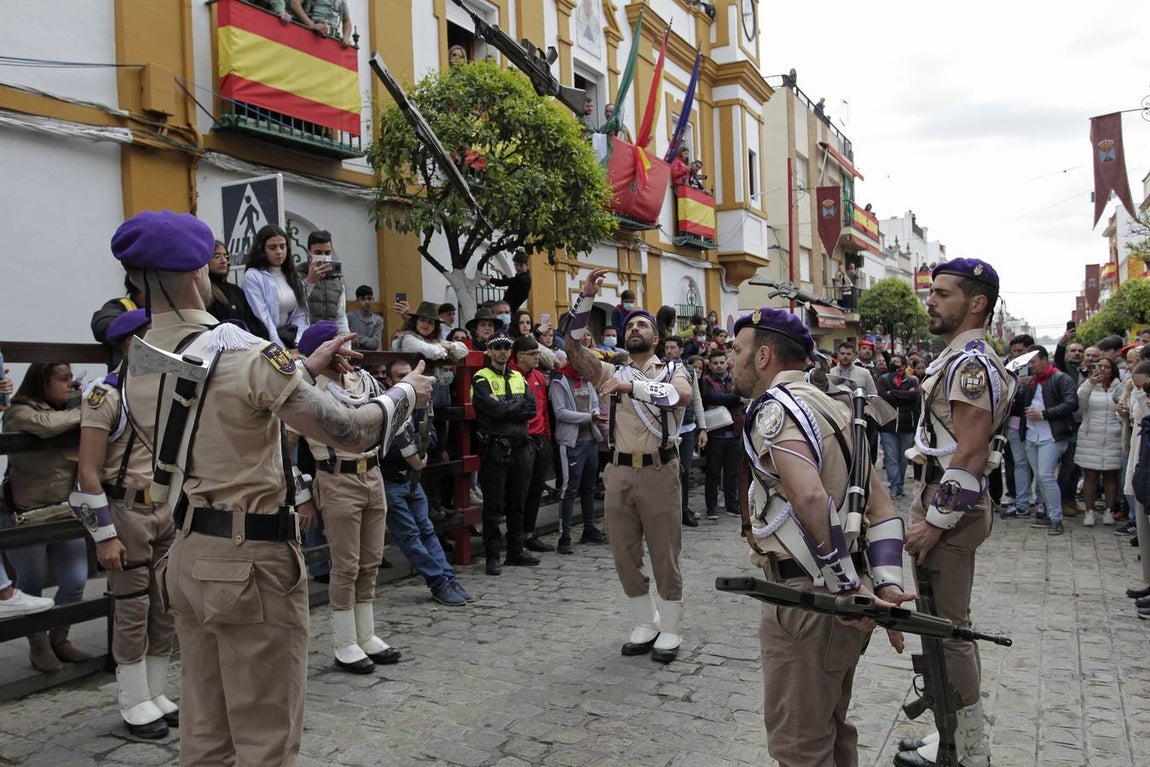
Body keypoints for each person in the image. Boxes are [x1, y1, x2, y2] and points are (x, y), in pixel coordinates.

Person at [114, 209, 433, 766]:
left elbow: (221, 405)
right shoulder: (244, 355)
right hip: (252, 561)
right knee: (265, 739)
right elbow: (354, 431)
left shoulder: (140, 361)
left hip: (190, 548)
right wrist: (404, 393)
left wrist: (304, 367)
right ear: (198, 273)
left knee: (206, 732)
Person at [727, 305, 910, 767]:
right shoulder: (837, 408)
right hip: (840, 600)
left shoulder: (776, 411)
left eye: (738, 349)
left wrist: (848, 588)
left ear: (764, 356)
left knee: (799, 746)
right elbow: (883, 509)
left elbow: (808, 498)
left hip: (810, 600)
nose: (731, 358)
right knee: (831, 730)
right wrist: (883, 581)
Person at [899, 258, 1014, 767]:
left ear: (977, 303)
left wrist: (934, 522)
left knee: (952, 632)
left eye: (944, 293)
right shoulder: (957, 359)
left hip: (953, 510)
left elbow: (969, 453)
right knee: (938, 628)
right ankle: (948, 734)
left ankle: (968, 748)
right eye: (932, 292)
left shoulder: (970, 365)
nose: (931, 300)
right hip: (944, 502)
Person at [564, 268, 692, 663]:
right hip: (618, 471)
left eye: (643, 324)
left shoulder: (672, 370)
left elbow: (680, 396)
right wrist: (584, 298)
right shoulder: (609, 369)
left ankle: (670, 627)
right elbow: (570, 349)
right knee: (623, 552)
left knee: (664, 552)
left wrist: (632, 387)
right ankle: (645, 621)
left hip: (658, 469)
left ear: (657, 338)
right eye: (630, 324)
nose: (634, 328)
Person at [73, 309, 180, 738]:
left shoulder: (163, 390)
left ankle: (155, 691)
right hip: (126, 510)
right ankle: (134, 700)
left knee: (165, 603)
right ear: (132, 344)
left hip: (163, 507)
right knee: (133, 607)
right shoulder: (106, 395)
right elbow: (87, 471)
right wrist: (104, 535)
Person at [293, 321, 402, 674]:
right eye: (336, 345)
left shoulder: (363, 380)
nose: (344, 352)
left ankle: (365, 633)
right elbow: (283, 448)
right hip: (336, 475)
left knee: (371, 559)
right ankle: (344, 642)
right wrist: (302, 493)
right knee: (346, 564)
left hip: (371, 471)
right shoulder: (306, 389)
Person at [2, 363, 92, 673]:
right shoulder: (18, 411)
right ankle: (38, 646)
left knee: (75, 580)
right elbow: (45, 425)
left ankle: (60, 638)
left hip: (65, 509)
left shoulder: (67, 409)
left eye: (72, 379)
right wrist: (87, 410)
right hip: (26, 513)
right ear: (42, 381)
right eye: (62, 379)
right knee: (31, 584)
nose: (70, 384)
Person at [379, 358, 473, 605]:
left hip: (412, 477)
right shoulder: (384, 407)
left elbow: (430, 433)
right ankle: (438, 582)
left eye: (408, 375)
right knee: (410, 535)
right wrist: (410, 451)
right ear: (389, 380)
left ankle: (448, 578)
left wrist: (419, 447)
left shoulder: (418, 405)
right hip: (390, 480)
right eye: (399, 377)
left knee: (428, 530)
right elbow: (383, 446)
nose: (405, 381)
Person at [471, 331, 538, 575]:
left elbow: (532, 409)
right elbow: (492, 410)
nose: (502, 352)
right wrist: (513, 408)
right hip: (495, 448)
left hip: (520, 446)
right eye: (497, 347)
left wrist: (507, 409)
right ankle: (492, 555)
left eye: (506, 348)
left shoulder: (519, 378)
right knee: (493, 504)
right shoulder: (481, 378)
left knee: (517, 502)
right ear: (488, 351)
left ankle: (515, 550)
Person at [549, 353, 608, 553]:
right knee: (569, 488)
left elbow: (593, 403)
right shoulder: (560, 381)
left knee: (589, 487)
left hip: (590, 439)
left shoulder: (586, 380)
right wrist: (587, 417)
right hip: (571, 441)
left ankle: (589, 528)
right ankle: (564, 535)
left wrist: (594, 413)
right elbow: (560, 412)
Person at [1018, 345, 1078, 536]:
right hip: (1031, 434)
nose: (1030, 366)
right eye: (1028, 363)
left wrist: (1043, 414)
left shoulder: (1060, 378)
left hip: (1051, 436)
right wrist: (1019, 388)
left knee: (1046, 476)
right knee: (1041, 477)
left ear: (1045, 359)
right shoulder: (1032, 382)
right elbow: (1020, 405)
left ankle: (1056, 518)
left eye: (1033, 362)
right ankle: (1046, 512)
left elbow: (1071, 404)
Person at [511, 335, 554, 553]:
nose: (537, 357)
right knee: (520, 491)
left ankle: (529, 533)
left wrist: (546, 435)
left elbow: (544, 409)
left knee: (536, 488)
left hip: (540, 438)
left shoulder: (538, 376)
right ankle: (516, 537)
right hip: (521, 439)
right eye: (532, 354)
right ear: (519, 356)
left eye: (538, 353)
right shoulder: (511, 376)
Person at [1075, 356, 1124, 527]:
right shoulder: (1089, 386)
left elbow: (1123, 406)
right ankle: (1089, 511)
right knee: (1090, 476)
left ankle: (1109, 511)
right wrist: (1089, 383)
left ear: (1113, 370)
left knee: (1111, 476)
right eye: (1099, 366)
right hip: (1091, 436)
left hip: (1113, 435)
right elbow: (1079, 402)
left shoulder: (1119, 387)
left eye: (1107, 367)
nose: (1102, 370)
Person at [242, 223, 309, 348]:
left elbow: (301, 314)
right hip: (264, 343)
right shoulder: (253, 276)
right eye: (272, 248)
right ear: (261, 249)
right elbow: (263, 317)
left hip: (290, 341)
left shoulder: (293, 276)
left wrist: (298, 344)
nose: (279, 252)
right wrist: (281, 349)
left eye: (282, 246)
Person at [664, 336, 706, 526]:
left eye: (673, 347)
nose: (669, 351)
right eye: (666, 347)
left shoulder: (689, 370)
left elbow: (696, 398)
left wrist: (703, 427)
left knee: (685, 470)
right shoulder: (659, 369)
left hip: (687, 428)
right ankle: (668, 510)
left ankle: (683, 508)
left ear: (681, 350)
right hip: (666, 428)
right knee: (667, 470)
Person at [701, 349, 742, 520]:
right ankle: (711, 508)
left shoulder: (735, 379)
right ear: (710, 365)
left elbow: (741, 394)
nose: (719, 366)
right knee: (713, 473)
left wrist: (732, 397)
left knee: (732, 472)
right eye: (715, 363)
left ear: (727, 363)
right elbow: (712, 398)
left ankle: (731, 505)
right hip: (715, 434)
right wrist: (734, 398)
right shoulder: (705, 381)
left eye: (721, 362)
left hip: (734, 432)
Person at [1000, 334, 1036, 519]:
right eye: (1013, 351)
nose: (1016, 355)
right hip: (1014, 424)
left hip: (1038, 425)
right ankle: (1019, 499)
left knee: (1038, 466)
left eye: (1020, 351)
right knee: (1018, 463)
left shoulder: (1038, 370)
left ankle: (1037, 501)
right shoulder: (1007, 370)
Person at [876, 353, 920, 498]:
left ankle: (900, 484)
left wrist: (893, 393)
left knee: (903, 458)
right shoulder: (882, 379)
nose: (894, 364)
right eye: (892, 361)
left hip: (907, 425)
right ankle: (895, 486)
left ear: (903, 365)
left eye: (897, 362)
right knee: (891, 457)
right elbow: (882, 395)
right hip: (887, 424)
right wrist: (903, 394)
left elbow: (913, 396)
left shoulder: (912, 380)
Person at [207, 240, 267, 338]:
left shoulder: (236, 291)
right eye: (217, 256)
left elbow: (253, 323)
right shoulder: (205, 293)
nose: (223, 261)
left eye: (226, 256)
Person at [398, 301, 469, 363]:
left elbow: (464, 350)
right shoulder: (408, 338)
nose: (425, 325)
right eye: (422, 320)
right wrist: (445, 347)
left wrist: (449, 346)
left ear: (435, 327)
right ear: (416, 322)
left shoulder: (434, 340)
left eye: (430, 322)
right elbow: (434, 352)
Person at [346, 285, 383, 351]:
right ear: (357, 301)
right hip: (353, 355)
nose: (366, 302)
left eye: (369, 298)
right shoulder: (349, 317)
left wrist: (357, 338)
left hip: (372, 356)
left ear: (373, 300)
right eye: (363, 299)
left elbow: (375, 344)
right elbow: (345, 338)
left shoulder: (378, 320)